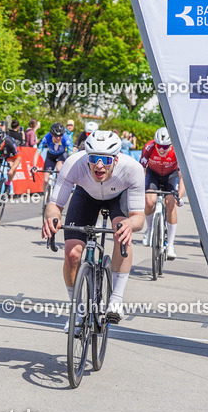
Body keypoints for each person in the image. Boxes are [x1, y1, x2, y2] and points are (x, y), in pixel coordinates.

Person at [41, 131, 146, 325]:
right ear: (87, 157)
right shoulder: (74, 164)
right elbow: (54, 205)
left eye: (105, 160)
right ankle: (77, 309)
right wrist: (52, 218)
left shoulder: (132, 169)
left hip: (118, 198)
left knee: (122, 232)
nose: (99, 165)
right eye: (94, 158)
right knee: (72, 253)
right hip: (86, 195)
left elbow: (138, 219)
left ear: (116, 159)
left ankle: (116, 300)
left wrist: (129, 224)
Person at [139, 127, 185, 258]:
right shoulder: (149, 147)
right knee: (149, 201)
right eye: (159, 146)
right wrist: (139, 189)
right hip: (153, 174)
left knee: (170, 204)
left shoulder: (178, 149)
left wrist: (179, 196)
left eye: (165, 147)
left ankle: (170, 244)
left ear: (171, 145)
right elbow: (141, 170)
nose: (161, 149)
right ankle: (149, 229)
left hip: (171, 175)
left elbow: (182, 176)